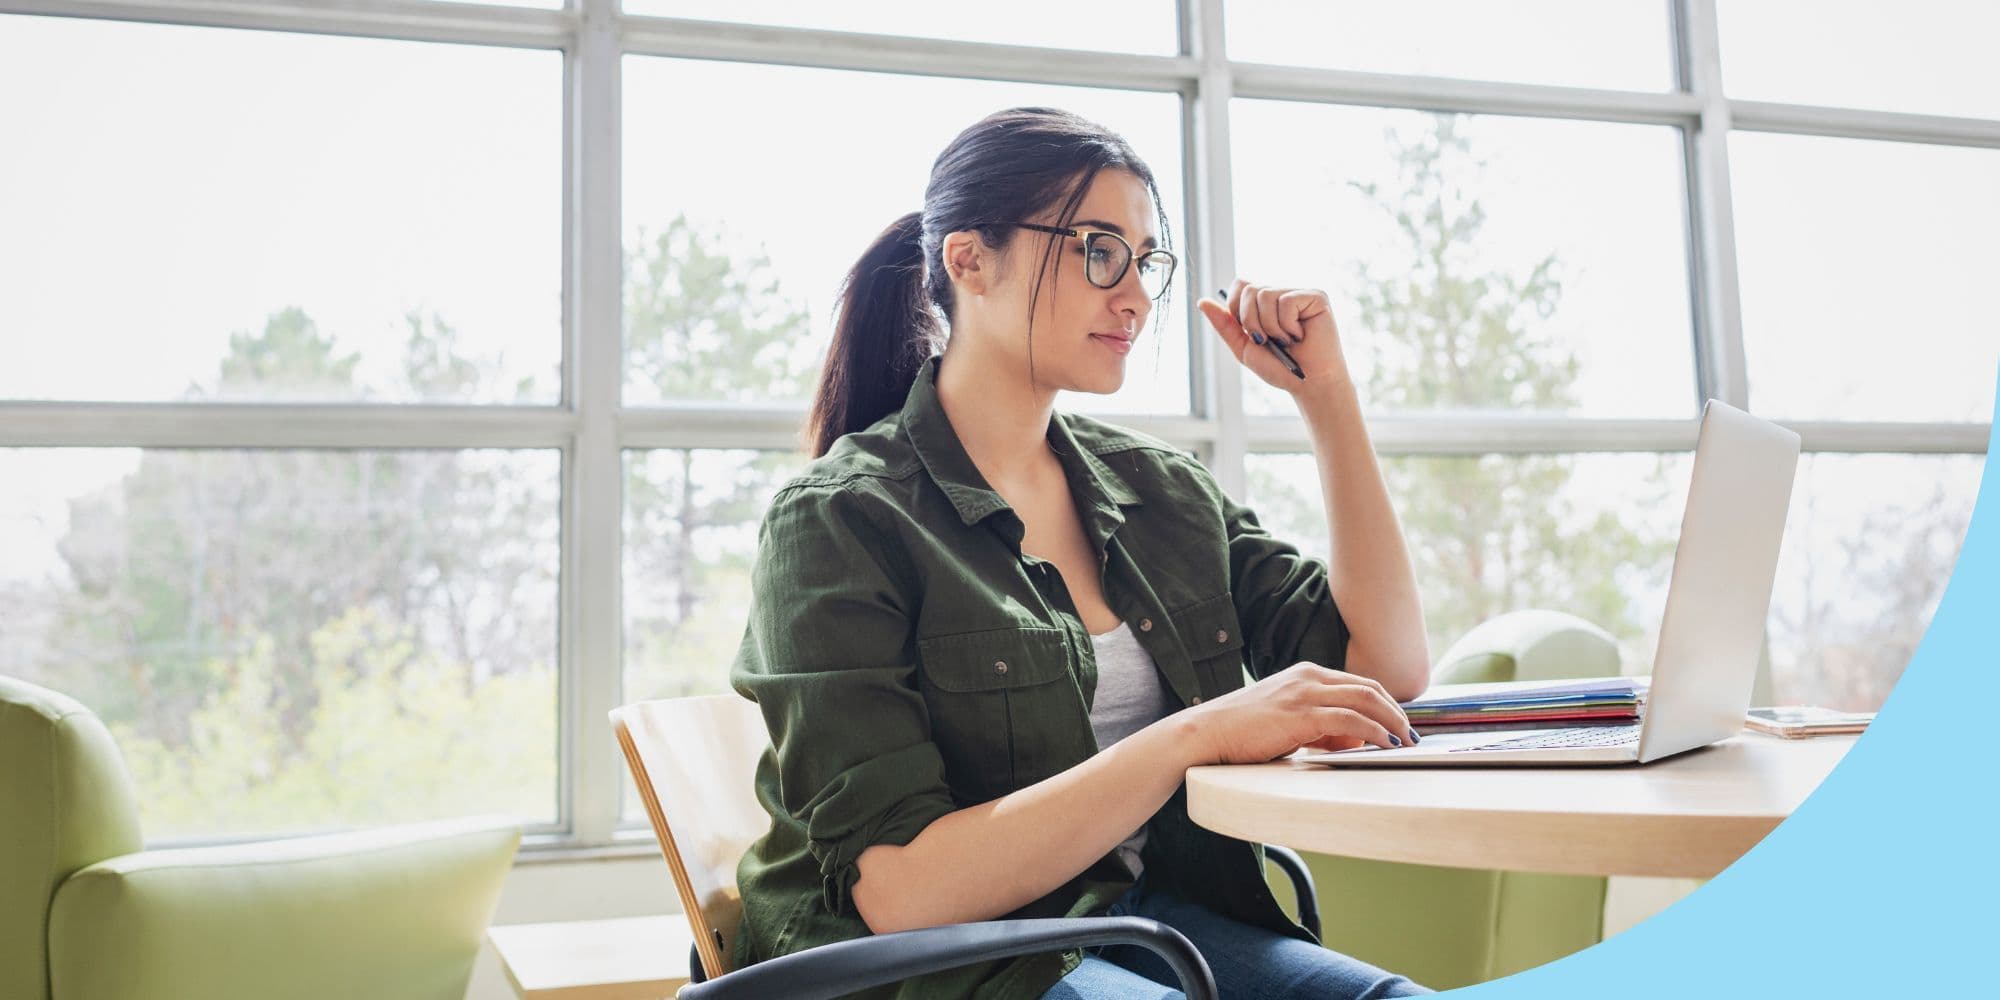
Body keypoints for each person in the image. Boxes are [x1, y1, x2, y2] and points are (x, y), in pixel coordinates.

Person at [728, 106, 1435, 1000]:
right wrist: (1204, 732)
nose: (1134, 293)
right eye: (1099, 250)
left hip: (1141, 920)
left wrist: (1326, 399)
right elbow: (905, 890)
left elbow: (1389, 664)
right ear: (969, 259)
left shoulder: (1161, 493)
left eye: (1145, 261)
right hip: (941, 966)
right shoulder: (839, 521)